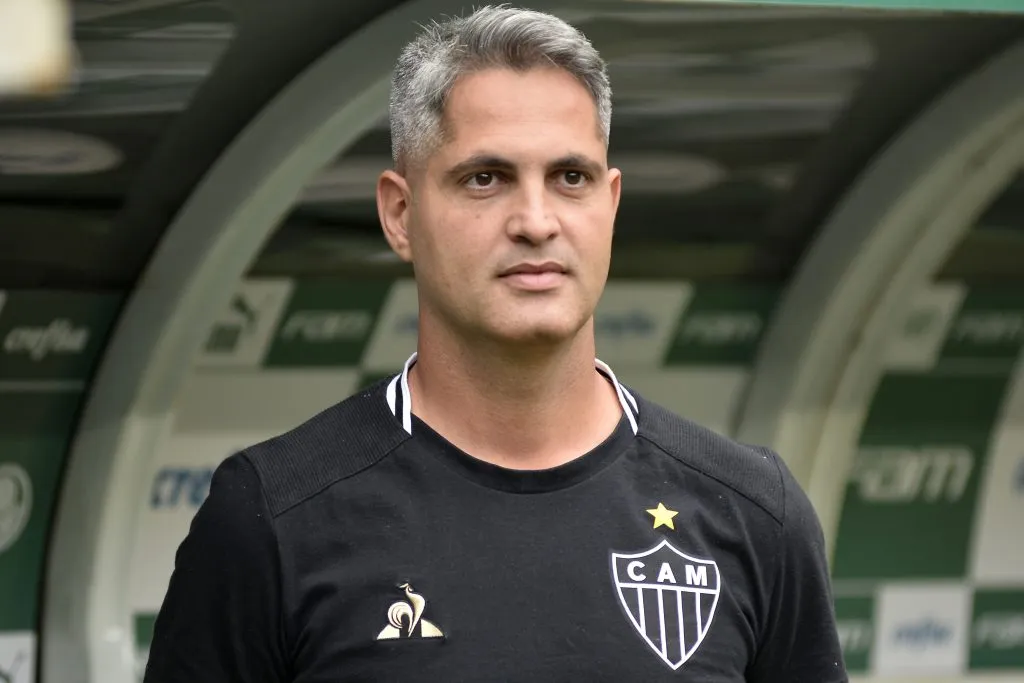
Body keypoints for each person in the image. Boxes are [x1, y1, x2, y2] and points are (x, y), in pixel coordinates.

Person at [143, 5, 848, 682]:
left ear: (610, 204)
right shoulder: (274, 514)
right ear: (400, 213)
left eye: (570, 178)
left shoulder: (753, 510)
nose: (536, 220)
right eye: (486, 178)